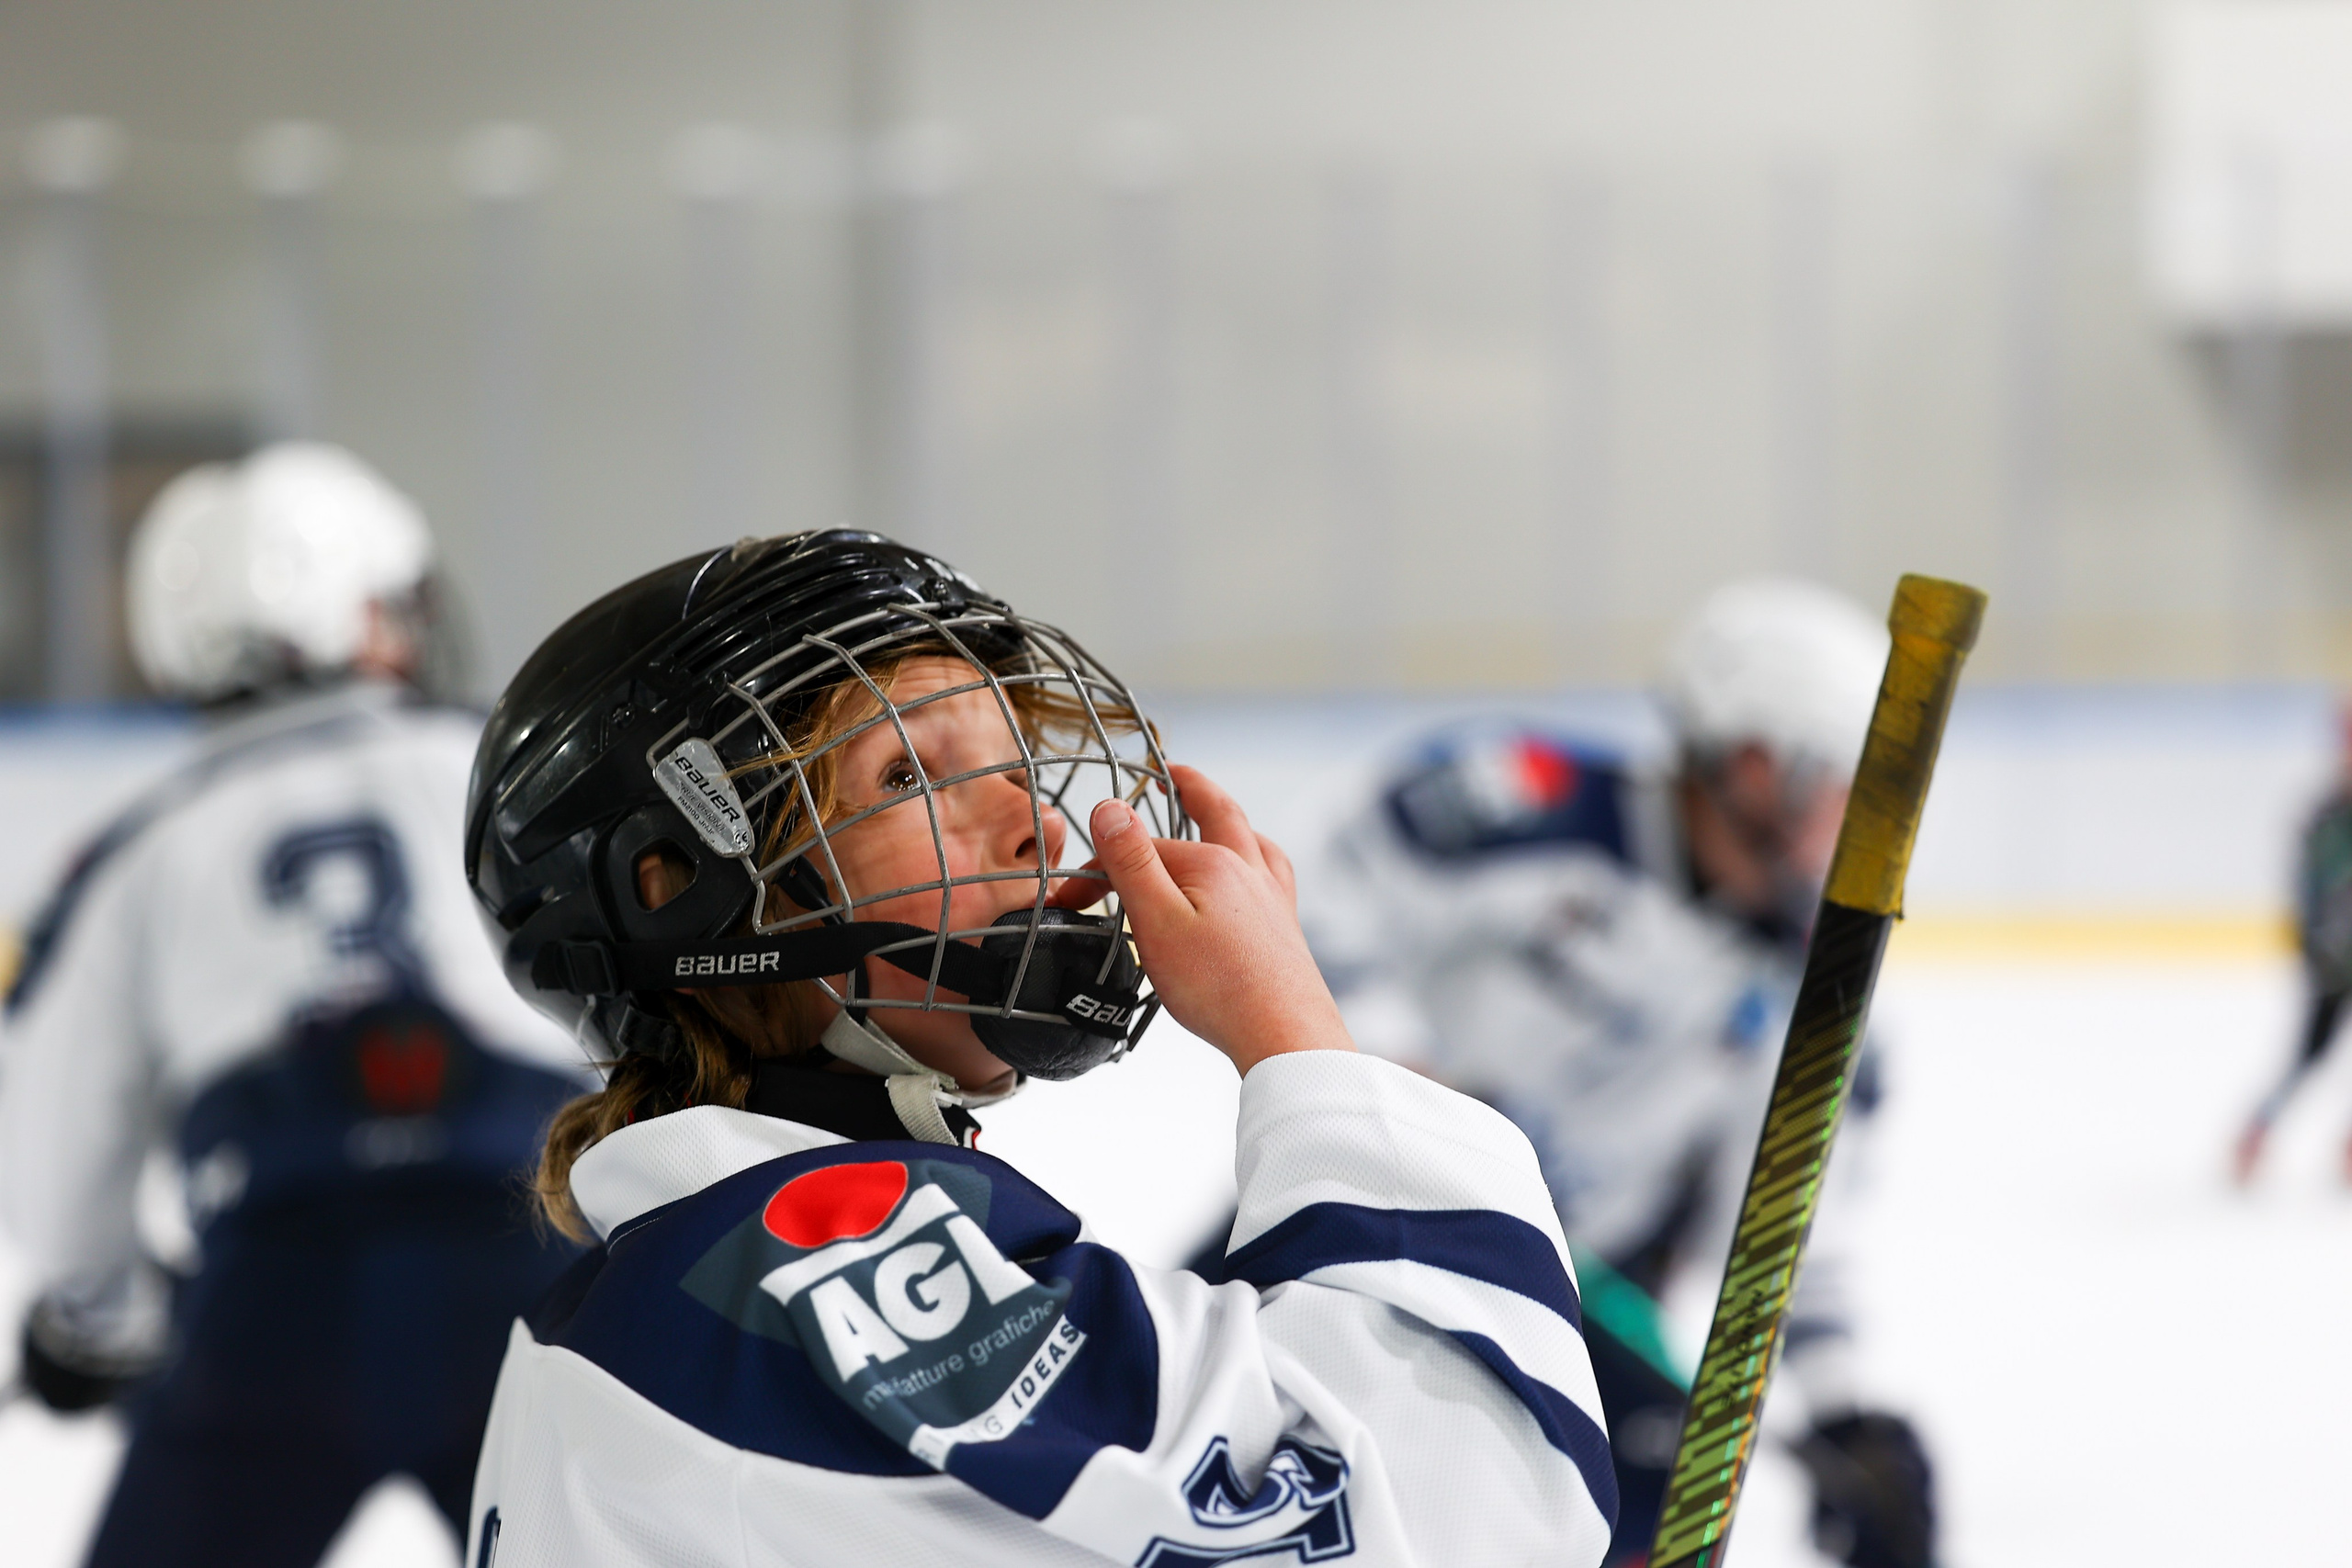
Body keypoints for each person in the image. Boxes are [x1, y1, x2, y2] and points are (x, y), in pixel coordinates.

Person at [458, 529, 1614, 1567]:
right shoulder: (806, 1272)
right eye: (908, 775)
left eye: (1011, 768)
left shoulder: (673, 1284)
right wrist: (1292, 1033)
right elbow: (1470, 1508)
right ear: (679, 895)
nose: (1037, 823)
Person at [0, 443, 589, 1566]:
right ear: (358, 616)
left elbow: (56, 1150)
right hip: (528, 1260)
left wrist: (98, 1314)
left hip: (278, 1302)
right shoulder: (508, 772)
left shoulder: (138, 853)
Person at [1303, 579, 1936, 1568]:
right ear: (1755, 763)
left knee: (1670, 1512)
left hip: (1583, 1295)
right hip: (1368, 1222)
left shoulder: (1822, 983)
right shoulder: (1529, 806)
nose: (1860, 833)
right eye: (1844, 790)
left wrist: (1845, 1409)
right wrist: (1407, 1079)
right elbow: (1318, 909)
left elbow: (1788, 1227)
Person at [2233, 704, 2352, 1185]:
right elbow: (2306, 897)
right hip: (2333, 964)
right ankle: (2258, 1130)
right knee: (2310, 1055)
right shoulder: (2323, 818)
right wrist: (2317, 950)